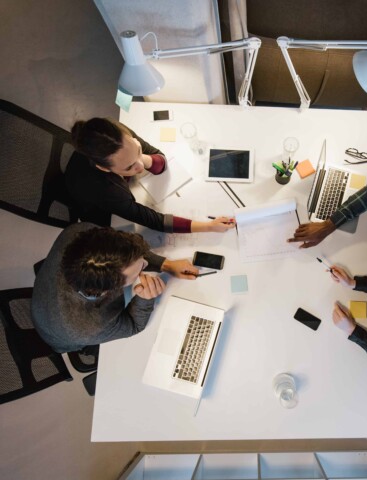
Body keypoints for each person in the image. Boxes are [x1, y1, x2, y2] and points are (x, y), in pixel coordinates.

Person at [31, 222, 199, 354]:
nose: (146, 264)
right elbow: (133, 325)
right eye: (140, 269)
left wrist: (166, 265)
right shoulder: (86, 327)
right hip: (61, 334)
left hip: (47, 293)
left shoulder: (79, 232)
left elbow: (126, 250)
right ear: (112, 289)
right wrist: (145, 299)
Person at [65, 117, 235, 233]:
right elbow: (152, 220)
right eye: (129, 166)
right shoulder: (104, 190)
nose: (140, 167)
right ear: (104, 168)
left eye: (138, 150)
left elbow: (160, 161)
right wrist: (208, 226)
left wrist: (141, 159)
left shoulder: (117, 135)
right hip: (102, 216)